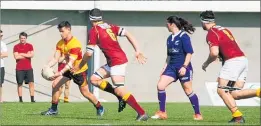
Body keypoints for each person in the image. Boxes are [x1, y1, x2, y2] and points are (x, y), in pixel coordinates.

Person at [74, 8, 148, 121]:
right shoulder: (109, 26)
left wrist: (80, 65)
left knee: (120, 89)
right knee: (94, 79)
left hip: (117, 62)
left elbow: (89, 54)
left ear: (90, 19)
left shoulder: (94, 31)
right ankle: (119, 96)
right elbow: (127, 33)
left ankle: (142, 113)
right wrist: (137, 50)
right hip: (113, 61)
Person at [200, 10, 260, 124]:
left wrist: (206, 63)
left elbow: (214, 53)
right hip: (242, 60)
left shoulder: (211, 33)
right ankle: (259, 92)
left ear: (203, 21)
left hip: (233, 61)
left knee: (222, 90)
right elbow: (235, 42)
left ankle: (238, 117)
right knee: (234, 94)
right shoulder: (224, 29)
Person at [40, 21, 104, 116]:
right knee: (55, 85)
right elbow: (55, 58)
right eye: (60, 32)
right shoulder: (60, 43)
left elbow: (70, 63)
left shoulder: (75, 44)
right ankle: (54, 110)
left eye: (62, 31)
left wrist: (60, 73)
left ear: (69, 30)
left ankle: (99, 107)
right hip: (68, 70)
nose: (61, 33)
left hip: (79, 71)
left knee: (85, 92)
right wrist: (47, 66)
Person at [151, 16, 203, 120]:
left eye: (167, 23)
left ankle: (198, 114)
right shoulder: (169, 38)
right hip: (171, 67)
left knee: (188, 90)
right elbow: (169, 55)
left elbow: (189, 53)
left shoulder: (184, 36)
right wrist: (164, 67)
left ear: (172, 24)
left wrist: (184, 67)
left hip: (184, 68)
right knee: (160, 85)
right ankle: (162, 112)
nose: (166, 25)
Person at [13, 32, 35, 102]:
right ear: (19, 38)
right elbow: (16, 57)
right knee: (19, 84)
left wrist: (21, 54)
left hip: (28, 68)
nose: (23, 39)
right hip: (19, 68)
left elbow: (31, 55)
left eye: (24, 38)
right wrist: (26, 54)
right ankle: (20, 100)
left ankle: (32, 100)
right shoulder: (16, 47)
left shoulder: (30, 46)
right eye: (21, 38)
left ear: (26, 38)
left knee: (31, 83)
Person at [0, 30, 8, 103]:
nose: (1, 37)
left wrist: (1, 54)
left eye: (2, 36)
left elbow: (6, 54)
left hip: (1, 66)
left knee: (0, 83)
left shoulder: (3, 44)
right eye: (0, 35)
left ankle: (0, 99)